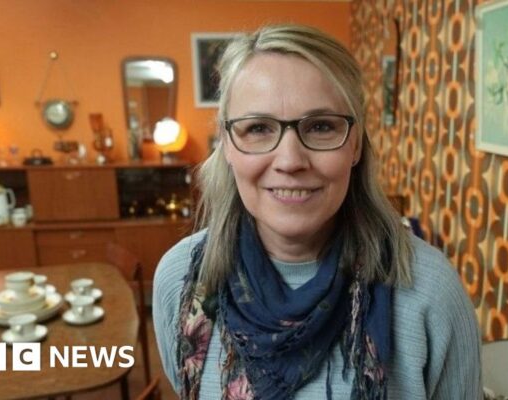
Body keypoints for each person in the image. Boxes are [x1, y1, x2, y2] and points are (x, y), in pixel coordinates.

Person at [153, 24, 482, 400]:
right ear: (227, 144)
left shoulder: (431, 292)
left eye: (321, 126)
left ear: (355, 145)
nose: (290, 160)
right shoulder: (179, 280)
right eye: (258, 128)